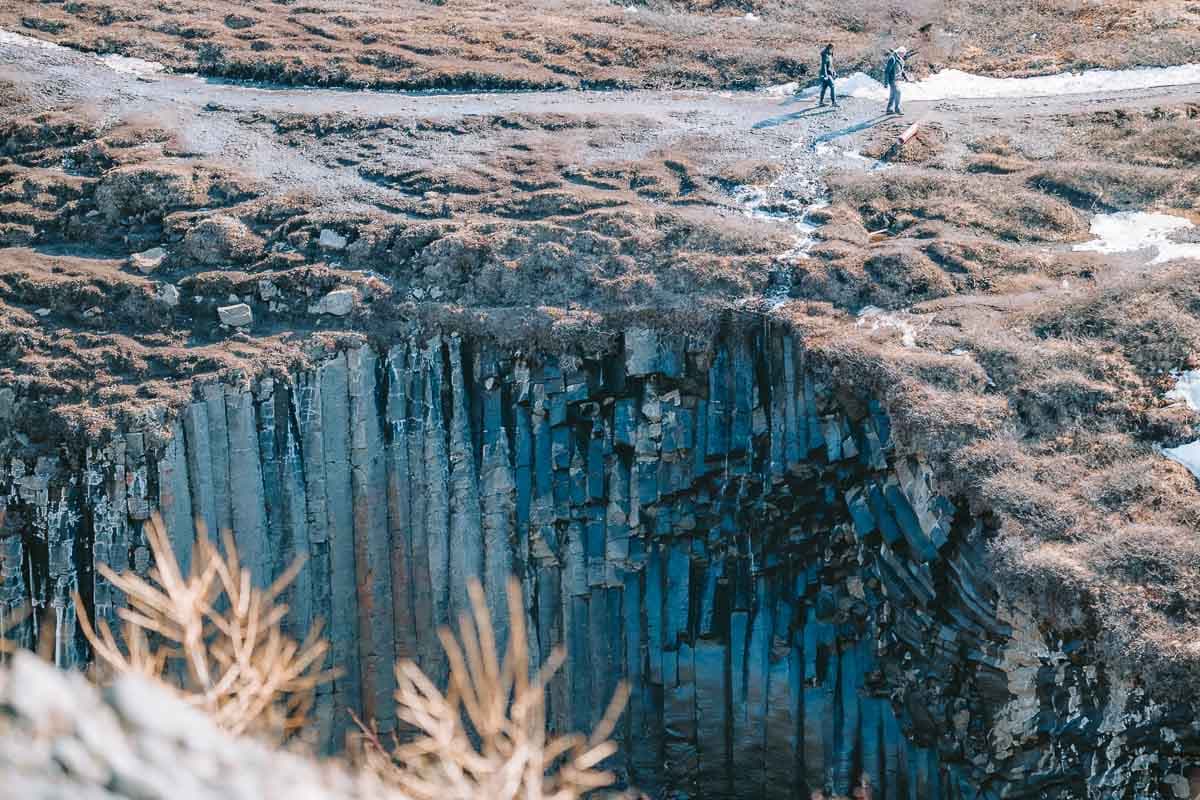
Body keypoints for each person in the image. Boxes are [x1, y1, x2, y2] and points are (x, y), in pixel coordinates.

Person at [884, 47, 909, 115]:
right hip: (892, 79)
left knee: (893, 94)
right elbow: (887, 71)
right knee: (898, 92)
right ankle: (897, 108)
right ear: (899, 52)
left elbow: (901, 70)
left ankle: (889, 109)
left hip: (897, 79)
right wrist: (886, 83)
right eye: (903, 53)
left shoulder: (900, 59)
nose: (903, 55)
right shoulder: (892, 59)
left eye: (904, 54)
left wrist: (906, 77)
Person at [818, 43, 837, 107]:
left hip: (828, 73)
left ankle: (821, 102)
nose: (833, 49)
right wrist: (825, 75)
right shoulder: (825, 55)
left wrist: (834, 72)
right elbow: (824, 65)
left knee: (824, 87)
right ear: (830, 48)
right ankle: (834, 102)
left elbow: (831, 65)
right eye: (833, 48)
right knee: (832, 86)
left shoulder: (830, 54)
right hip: (826, 74)